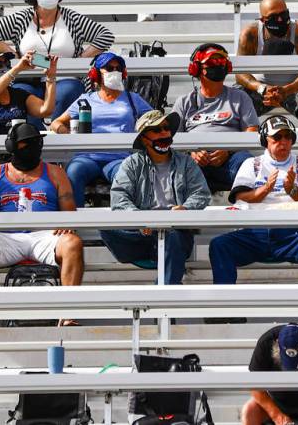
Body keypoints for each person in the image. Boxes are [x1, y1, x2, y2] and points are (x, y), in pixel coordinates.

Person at [0, 0, 113, 124]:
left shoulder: (72, 18)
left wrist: (80, 59)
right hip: (28, 78)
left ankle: (59, 132)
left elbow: (106, 36)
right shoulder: (22, 18)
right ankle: (33, 138)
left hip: (64, 77)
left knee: (68, 91)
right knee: (21, 94)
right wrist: (14, 55)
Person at [209, 116, 298, 285]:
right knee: (219, 244)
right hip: (253, 234)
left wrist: (293, 190)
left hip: (293, 233)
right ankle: (223, 307)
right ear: (265, 140)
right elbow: (239, 197)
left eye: (288, 136)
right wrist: (265, 189)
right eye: (277, 137)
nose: (284, 141)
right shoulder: (251, 163)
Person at [0, 123, 84, 300]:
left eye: (35, 143)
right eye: (25, 145)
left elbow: (69, 210)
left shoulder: (55, 172)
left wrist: (66, 224)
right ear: (12, 148)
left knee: (72, 242)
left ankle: (68, 314)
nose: (31, 149)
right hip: (7, 237)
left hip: (45, 236)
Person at [105, 110, 210, 285]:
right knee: (105, 227)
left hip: (175, 230)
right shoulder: (132, 163)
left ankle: (162, 294)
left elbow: (201, 193)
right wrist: (139, 219)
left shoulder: (186, 162)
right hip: (142, 234)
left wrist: (185, 208)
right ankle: (170, 278)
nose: (164, 132)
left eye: (166, 128)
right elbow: (119, 196)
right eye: (157, 129)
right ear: (144, 139)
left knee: (175, 237)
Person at [50, 52, 153, 207]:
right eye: (109, 68)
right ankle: (73, 223)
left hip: (119, 157)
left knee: (125, 175)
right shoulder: (86, 98)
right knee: (73, 172)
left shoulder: (132, 98)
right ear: (96, 73)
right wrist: (66, 132)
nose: (115, 71)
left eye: (118, 68)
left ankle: (124, 224)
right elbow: (56, 122)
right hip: (87, 157)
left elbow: (153, 119)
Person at [0, 47, 57, 202]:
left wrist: (50, 78)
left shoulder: (19, 94)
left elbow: (45, 110)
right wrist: (17, 69)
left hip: (20, 155)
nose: (4, 67)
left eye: (6, 62)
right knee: (5, 179)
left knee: (50, 175)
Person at [172, 43, 260, 190]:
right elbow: (172, 138)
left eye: (222, 62)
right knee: (179, 169)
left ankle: (245, 208)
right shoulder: (184, 102)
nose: (219, 66)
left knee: (249, 165)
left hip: (232, 158)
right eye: (212, 63)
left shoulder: (239, 97)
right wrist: (191, 152)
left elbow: (252, 130)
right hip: (195, 161)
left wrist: (228, 150)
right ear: (197, 69)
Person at [235, 0, 298, 128]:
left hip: (294, 87)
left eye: (283, 14)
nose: (280, 19)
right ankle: (245, 144)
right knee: (235, 97)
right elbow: (240, 74)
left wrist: (286, 90)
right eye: (274, 16)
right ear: (262, 20)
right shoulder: (250, 34)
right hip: (261, 89)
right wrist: (262, 88)